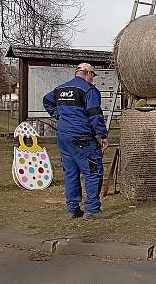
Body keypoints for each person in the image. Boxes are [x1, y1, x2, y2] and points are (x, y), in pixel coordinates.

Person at [42, 63, 110, 220]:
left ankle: (73, 209)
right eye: (93, 74)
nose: (93, 78)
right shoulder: (88, 90)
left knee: (71, 173)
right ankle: (92, 209)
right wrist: (103, 135)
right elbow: (95, 115)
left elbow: (47, 100)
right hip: (82, 136)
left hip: (64, 136)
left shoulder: (61, 89)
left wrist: (59, 115)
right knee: (93, 171)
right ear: (87, 73)